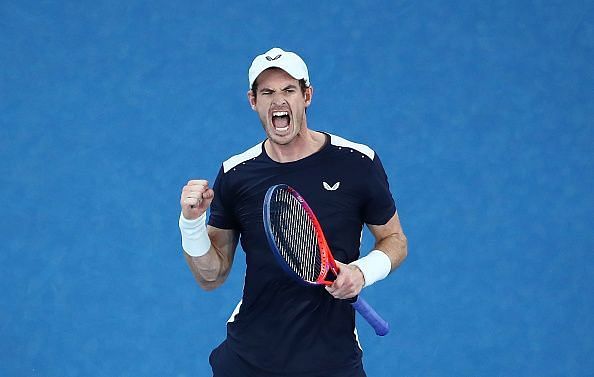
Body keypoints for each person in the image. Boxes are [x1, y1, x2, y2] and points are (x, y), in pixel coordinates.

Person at [178, 47, 407, 377]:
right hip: (248, 361)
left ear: (307, 96)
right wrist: (192, 224)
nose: (278, 100)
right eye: (267, 92)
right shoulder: (236, 173)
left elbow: (395, 239)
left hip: (332, 360)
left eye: (288, 90)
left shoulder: (357, 162)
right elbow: (211, 276)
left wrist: (361, 272)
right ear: (253, 101)